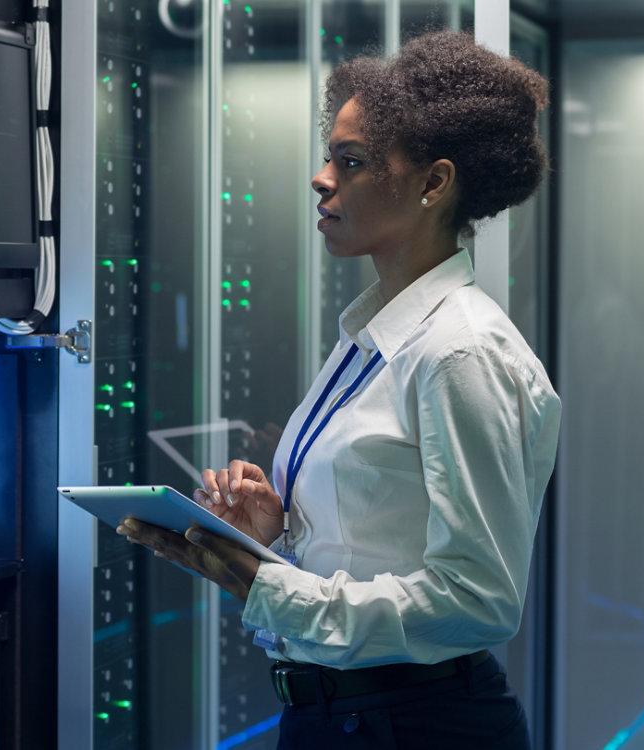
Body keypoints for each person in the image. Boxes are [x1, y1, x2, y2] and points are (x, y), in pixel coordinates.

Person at [117, 29, 561, 749]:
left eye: (349, 162)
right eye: (329, 156)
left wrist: (265, 587)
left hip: (418, 725)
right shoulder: (375, 336)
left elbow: (478, 602)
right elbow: (372, 548)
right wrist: (271, 540)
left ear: (433, 183)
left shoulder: (459, 352)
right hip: (343, 716)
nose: (322, 178)